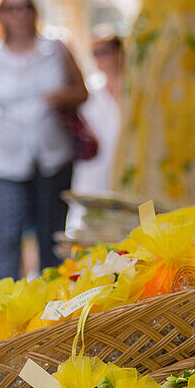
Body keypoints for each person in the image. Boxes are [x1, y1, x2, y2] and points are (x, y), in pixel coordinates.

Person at [0, 0, 89, 280]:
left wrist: (61, 96)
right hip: (5, 157)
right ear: (1, 14)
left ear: (34, 10)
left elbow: (82, 92)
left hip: (53, 154)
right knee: (8, 234)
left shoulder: (56, 48)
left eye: (24, 7)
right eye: (10, 8)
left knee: (52, 236)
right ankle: (7, 312)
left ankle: (53, 310)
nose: (18, 14)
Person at [68, 25, 125, 233]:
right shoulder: (89, 91)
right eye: (95, 54)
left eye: (104, 52)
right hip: (95, 171)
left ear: (119, 52)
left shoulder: (134, 90)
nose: (100, 59)